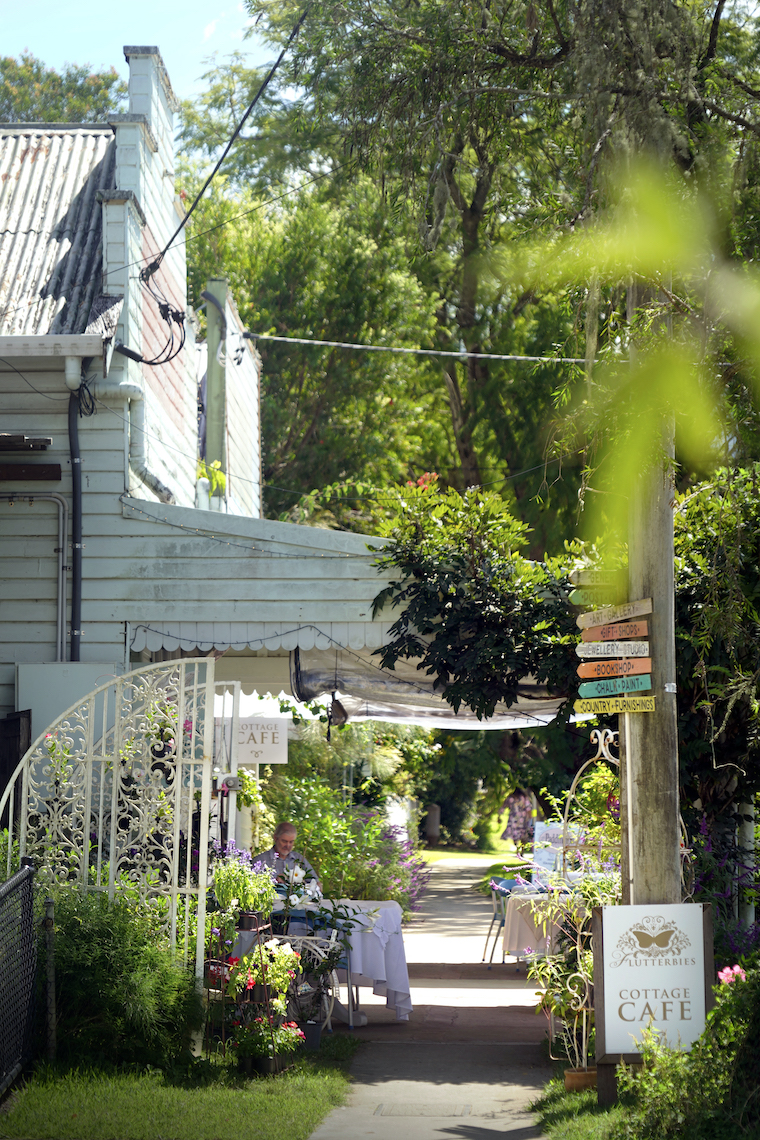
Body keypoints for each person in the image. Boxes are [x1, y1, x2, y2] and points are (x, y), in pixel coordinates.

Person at [258, 822, 320, 889]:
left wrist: (302, 883)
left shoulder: (299, 859)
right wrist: (274, 881)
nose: (288, 845)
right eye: (284, 841)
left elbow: (318, 885)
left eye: (291, 842)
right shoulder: (260, 860)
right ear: (275, 838)